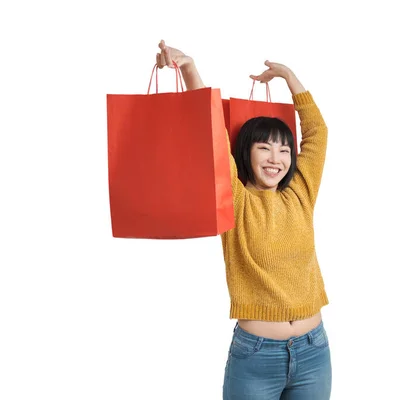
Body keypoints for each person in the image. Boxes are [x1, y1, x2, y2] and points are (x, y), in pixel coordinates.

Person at [156, 39, 332, 399]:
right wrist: (189, 68)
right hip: (256, 356)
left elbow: (317, 133)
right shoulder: (234, 200)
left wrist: (289, 77)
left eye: (284, 149)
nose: (276, 158)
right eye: (264, 147)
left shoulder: (300, 194)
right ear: (245, 152)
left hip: (315, 351)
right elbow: (212, 135)